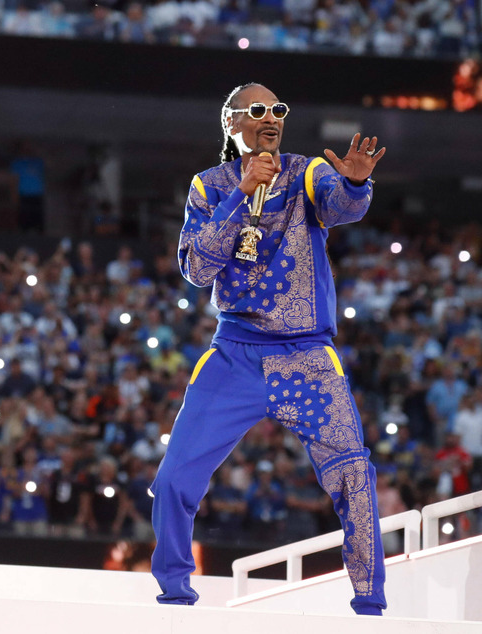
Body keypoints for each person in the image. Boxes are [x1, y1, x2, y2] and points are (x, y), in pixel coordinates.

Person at [149, 83, 388, 616]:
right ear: (231, 123)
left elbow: (341, 205)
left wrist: (356, 183)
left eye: (278, 109)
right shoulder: (208, 186)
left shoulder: (308, 172)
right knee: (174, 477)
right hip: (235, 352)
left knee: (354, 472)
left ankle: (370, 604)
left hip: (306, 357)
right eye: (257, 110)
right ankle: (173, 595)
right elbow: (195, 269)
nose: (271, 118)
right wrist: (240, 197)